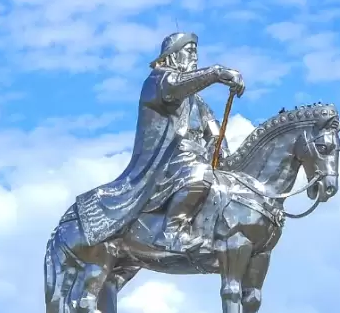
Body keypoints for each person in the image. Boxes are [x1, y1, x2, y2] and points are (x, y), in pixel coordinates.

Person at [73, 32, 246, 256]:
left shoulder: (198, 102)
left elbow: (214, 134)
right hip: (168, 162)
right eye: (189, 51)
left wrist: (222, 153)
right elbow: (175, 87)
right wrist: (216, 72)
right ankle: (173, 232)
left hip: (197, 159)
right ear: (172, 55)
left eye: (196, 52)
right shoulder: (158, 82)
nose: (194, 57)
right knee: (199, 175)